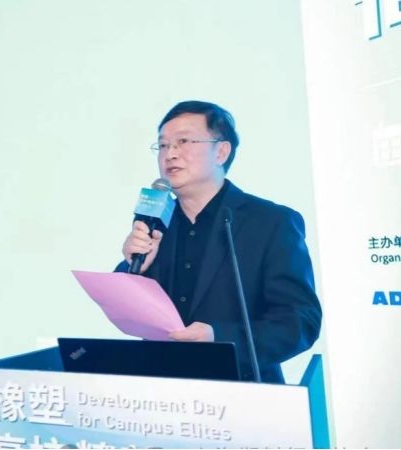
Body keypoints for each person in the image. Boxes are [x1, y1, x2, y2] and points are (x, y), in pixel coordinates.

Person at [115, 100, 322, 383]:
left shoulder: (271, 222)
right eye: (162, 145)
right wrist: (133, 267)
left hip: (244, 390)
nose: (170, 154)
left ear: (221, 151)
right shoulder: (156, 223)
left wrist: (220, 338)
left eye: (183, 141)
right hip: (161, 392)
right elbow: (128, 310)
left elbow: (299, 321)